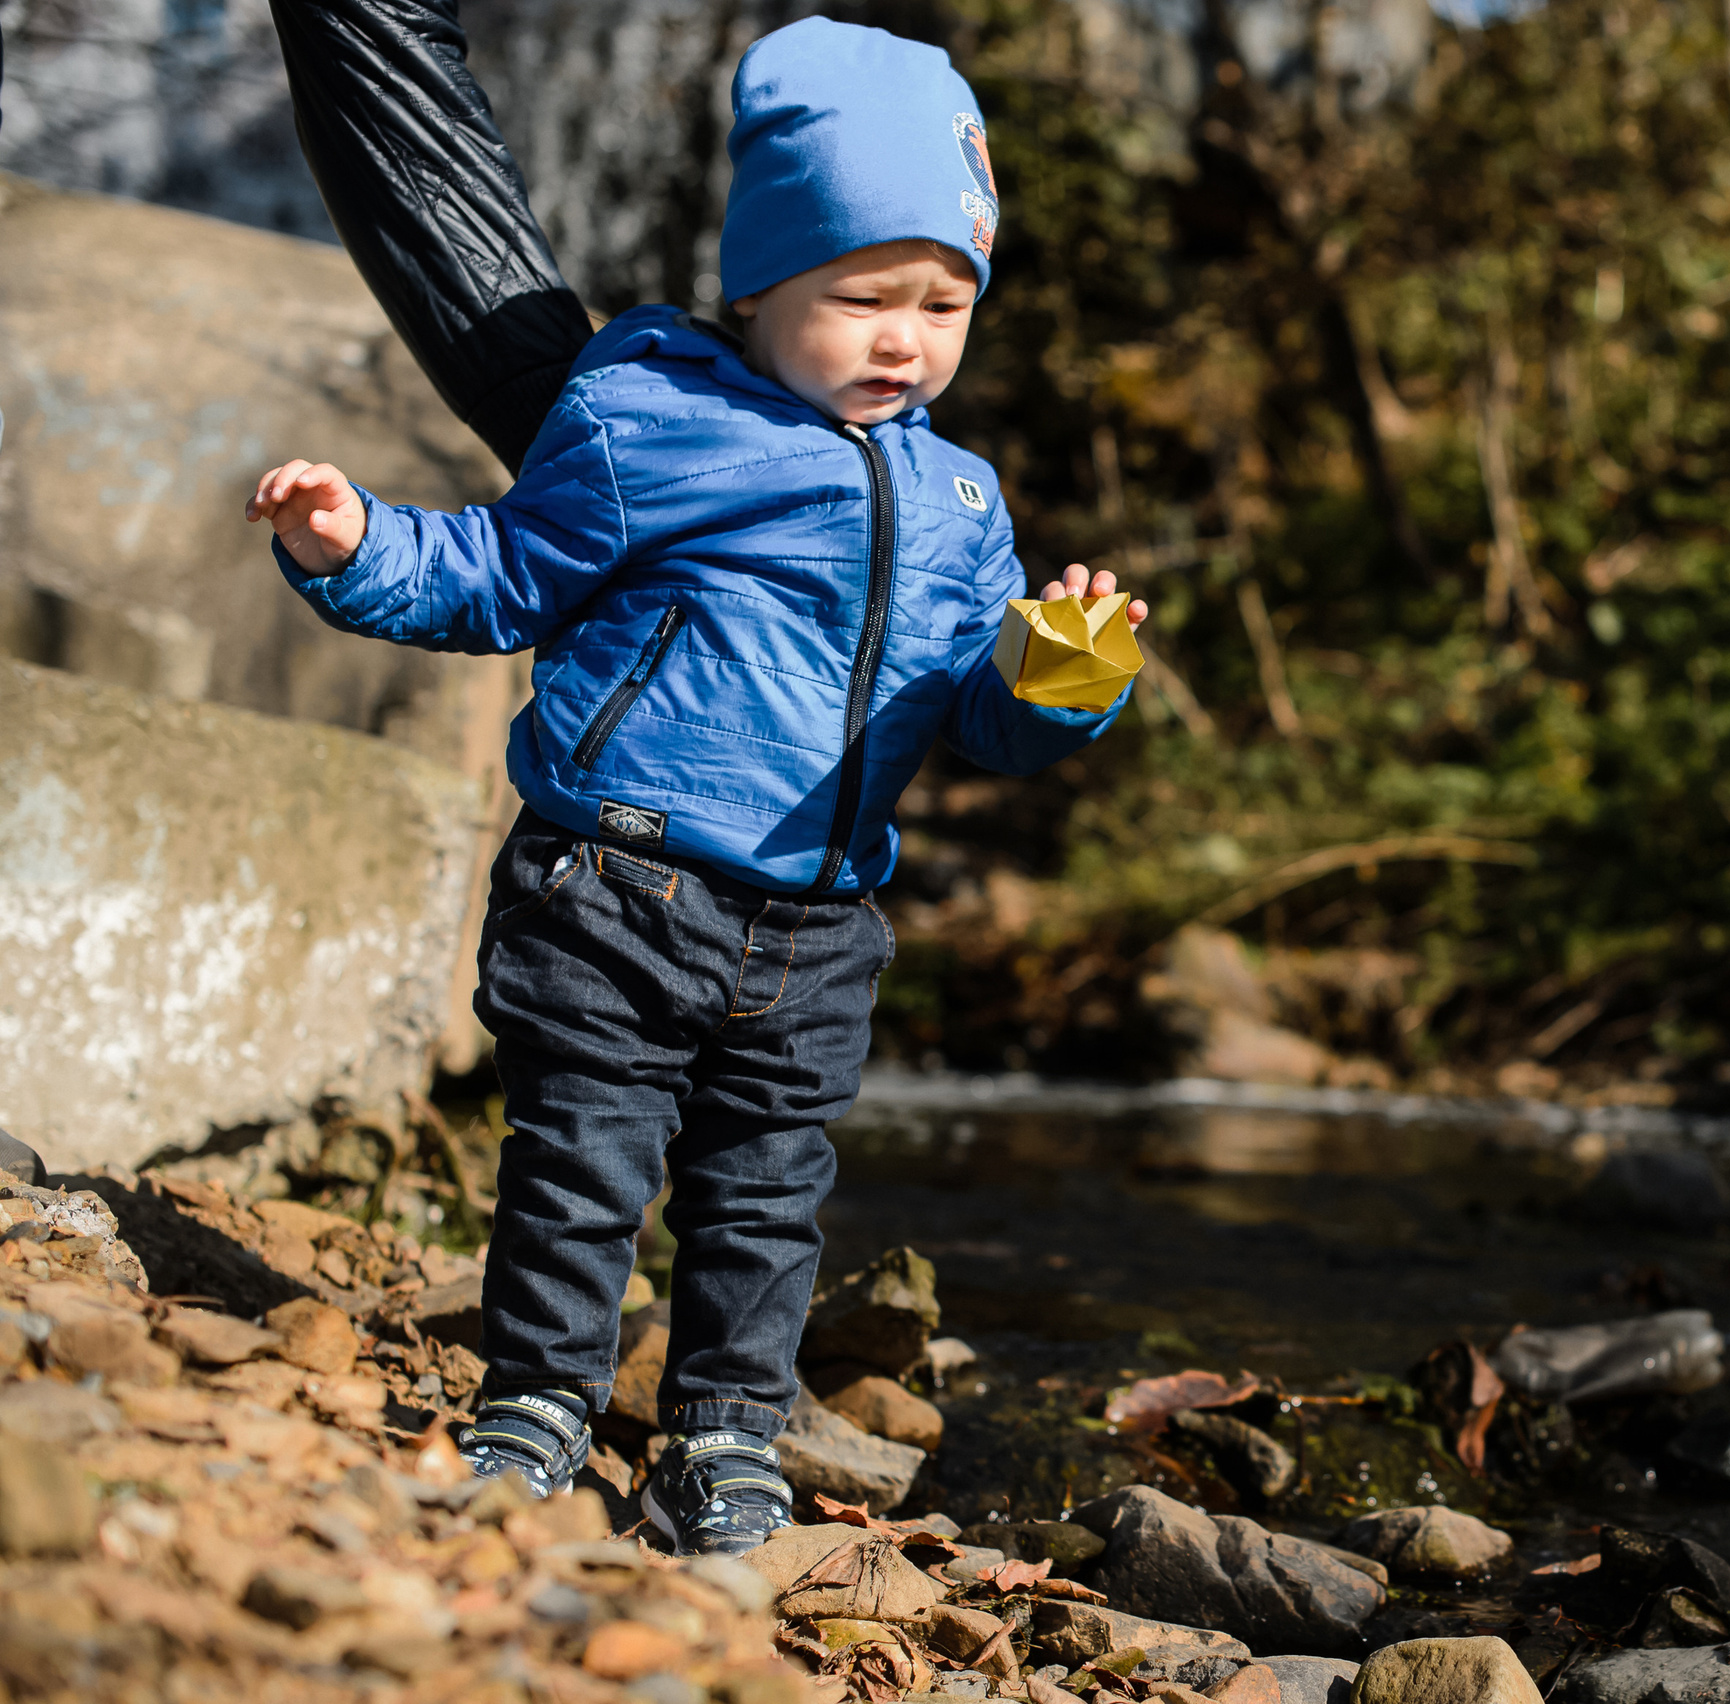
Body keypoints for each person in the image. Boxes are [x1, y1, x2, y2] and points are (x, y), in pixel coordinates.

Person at [247, 12, 1144, 1556]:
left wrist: (1065, 669)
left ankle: (725, 1433)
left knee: (764, 1198)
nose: (903, 340)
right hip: (618, 878)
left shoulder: (958, 501)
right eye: (859, 296)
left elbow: (980, 729)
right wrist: (354, 543)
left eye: (944, 304)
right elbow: (495, 577)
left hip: (816, 927)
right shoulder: (644, 418)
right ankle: (537, 1396)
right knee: (582, 1152)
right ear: (759, 286)